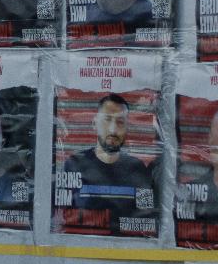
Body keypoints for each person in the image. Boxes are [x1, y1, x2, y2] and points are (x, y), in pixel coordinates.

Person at [61, 93, 158, 221]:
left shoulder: (138, 168)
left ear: (127, 128)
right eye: (107, 120)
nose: (113, 130)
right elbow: (63, 218)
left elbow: (147, 218)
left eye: (120, 122)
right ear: (94, 124)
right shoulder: (74, 165)